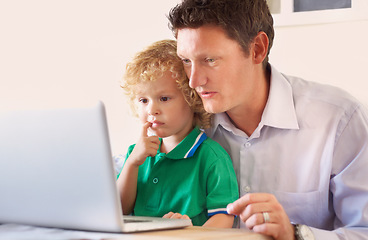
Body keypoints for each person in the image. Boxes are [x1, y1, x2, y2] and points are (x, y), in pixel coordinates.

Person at [167, 0, 368, 239]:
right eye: (186, 61)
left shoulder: (339, 119)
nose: (194, 81)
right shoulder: (182, 121)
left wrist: (295, 235)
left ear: (258, 49)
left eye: (210, 60)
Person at [116, 39, 239, 228]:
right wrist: (132, 162)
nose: (152, 110)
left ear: (192, 99)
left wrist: (191, 233)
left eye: (164, 98)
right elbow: (119, 210)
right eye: (143, 100)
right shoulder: (136, 154)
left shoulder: (211, 157)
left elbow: (225, 217)